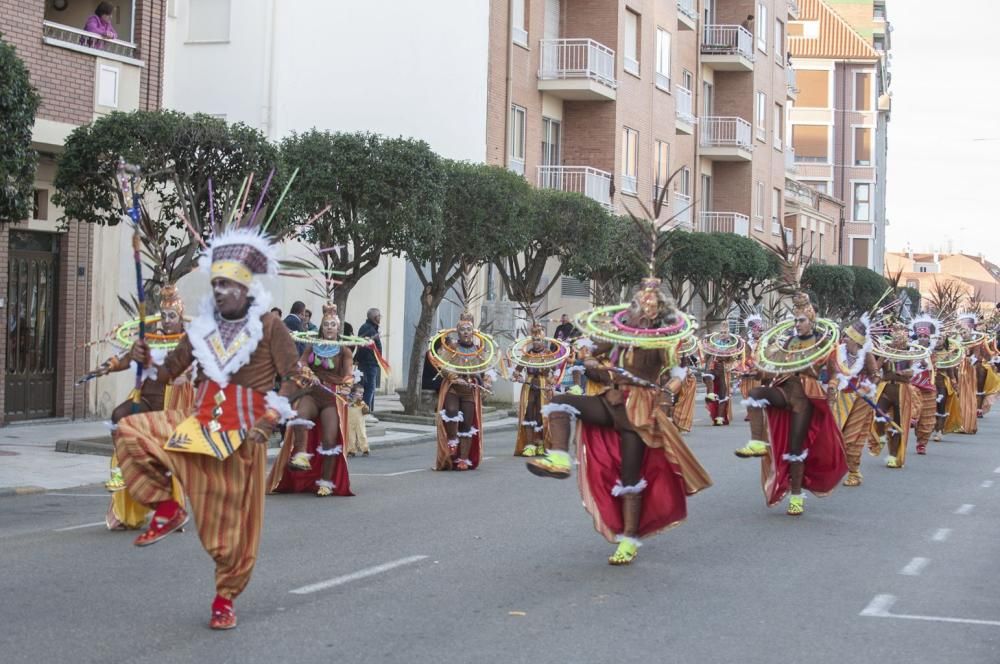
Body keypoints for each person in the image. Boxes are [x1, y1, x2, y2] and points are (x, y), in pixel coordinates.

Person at [117, 224, 307, 630]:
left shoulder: (271, 327)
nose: (220, 291)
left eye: (228, 284)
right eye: (215, 284)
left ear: (245, 288)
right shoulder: (200, 327)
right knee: (131, 433)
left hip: (245, 433)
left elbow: (293, 377)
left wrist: (270, 419)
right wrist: (142, 358)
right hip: (199, 424)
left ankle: (224, 598)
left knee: (232, 526)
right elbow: (167, 373)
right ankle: (167, 507)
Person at [526, 278, 711, 565]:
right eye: (634, 302)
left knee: (630, 477)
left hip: (639, 413)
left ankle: (628, 540)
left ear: (652, 312)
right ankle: (560, 458)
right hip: (612, 401)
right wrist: (589, 359)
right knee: (560, 402)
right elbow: (591, 352)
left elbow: (678, 374)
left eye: (639, 304)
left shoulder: (662, 341)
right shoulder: (618, 335)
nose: (633, 308)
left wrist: (666, 394)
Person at [97, 285, 191, 529]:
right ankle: (120, 467)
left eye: (172, 316)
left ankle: (172, 511)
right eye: (163, 315)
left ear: (181, 318)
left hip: (170, 409)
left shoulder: (188, 344)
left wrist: (187, 376)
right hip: (145, 401)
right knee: (119, 415)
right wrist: (109, 365)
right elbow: (129, 359)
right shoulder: (150, 339)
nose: (166, 320)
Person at [745, 293, 847, 516]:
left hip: (805, 398)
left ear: (811, 321)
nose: (797, 324)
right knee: (755, 393)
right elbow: (775, 367)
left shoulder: (825, 343)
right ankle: (756, 442)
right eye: (795, 320)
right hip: (785, 388)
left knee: (795, 448)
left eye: (801, 320)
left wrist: (831, 385)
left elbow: (834, 373)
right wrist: (758, 371)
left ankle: (796, 495)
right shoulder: (789, 342)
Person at [268, 303, 353, 497]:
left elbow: (348, 374)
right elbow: (302, 363)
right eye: (326, 324)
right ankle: (301, 456)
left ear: (338, 328)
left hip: (331, 397)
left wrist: (347, 384)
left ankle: (326, 481)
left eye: (333, 324)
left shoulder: (344, 351)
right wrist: (306, 371)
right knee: (300, 416)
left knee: (330, 439)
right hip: (313, 392)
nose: (329, 327)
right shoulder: (311, 345)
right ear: (321, 327)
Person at [429, 311, 496, 471]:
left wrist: (486, 381)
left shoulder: (479, 350)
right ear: (458, 332)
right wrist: (453, 376)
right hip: (453, 387)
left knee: (467, 424)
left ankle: (463, 459)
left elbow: (486, 368)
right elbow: (442, 364)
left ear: (473, 332)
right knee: (451, 412)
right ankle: (452, 440)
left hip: (470, 390)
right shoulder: (452, 348)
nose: (466, 332)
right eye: (463, 329)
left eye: (468, 329)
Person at [829, 316, 880, 487]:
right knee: (831, 435)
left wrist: (866, 388)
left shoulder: (866, 355)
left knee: (851, 439)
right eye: (845, 336)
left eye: (849, 337)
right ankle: (830, 470)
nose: (845, 339)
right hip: (840, 399)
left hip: (860, 401)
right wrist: (832, 385)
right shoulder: (837, 352)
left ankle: (854, 473)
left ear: (857, 342)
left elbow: (875, 376)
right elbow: (831, 374)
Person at [511, 322, 568, 457]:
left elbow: (556, 370)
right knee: (529, 413)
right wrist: (516, 376)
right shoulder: (528, 354)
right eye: (534, 340)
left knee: (542, 415)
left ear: (543, 340)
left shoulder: (548, 354)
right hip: (529, 384)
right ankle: (530, 445)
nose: (536, 342)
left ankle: (541, 443)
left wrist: (552, 381)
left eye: (539, 340)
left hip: (543, 385)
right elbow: (517, 370)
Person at [870, 323, 917, 468]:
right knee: (877, 412)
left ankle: (893, 456)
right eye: (895, 340)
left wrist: (904, 372)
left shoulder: (910, 354)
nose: (897, 344)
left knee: (898, 424)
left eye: (900, 341)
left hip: (902, 390)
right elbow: (876, 369)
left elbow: (913, 372)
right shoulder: (886, 352)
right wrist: (883, 358)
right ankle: (881, 436)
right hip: (886, 388)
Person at [909, 317, 941, 456]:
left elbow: (932, 367)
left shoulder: (933, 352)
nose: (922, 339)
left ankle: (922, 443)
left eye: (925, 336)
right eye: (920, 336)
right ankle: (912, 418)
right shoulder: (911, 349)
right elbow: (905, 364)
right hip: (912, 384)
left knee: (927, 419)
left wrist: (923, 359)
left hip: (928, 386)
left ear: (929, 338)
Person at [356, 307, 382, 419]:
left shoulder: (372, 328)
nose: (380, 318)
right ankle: (365, 412)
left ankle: (368, 410)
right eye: (379, 316)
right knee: (368, 387)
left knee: (370, 388)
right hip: (368, 363)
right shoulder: (367, 328)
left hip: (372, 362)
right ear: (374, 317)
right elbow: (362, 345)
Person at [346, 384, 370, 457]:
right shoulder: (348, 402)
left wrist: (365, 408)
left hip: (360, 423)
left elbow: (366, 411)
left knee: (362, 435)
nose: (361, 394)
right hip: (349, 422)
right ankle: (351, 450)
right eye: (359, 392)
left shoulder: (361, 403)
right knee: (350, 437)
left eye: (362, 393)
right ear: (353, 393)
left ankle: (365, 449)